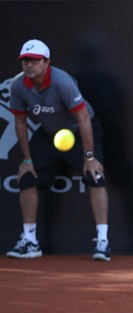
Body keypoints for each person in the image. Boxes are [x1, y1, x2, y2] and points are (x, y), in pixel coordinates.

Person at [7, 39, 111, 261]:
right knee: (27, 178)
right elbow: (19, 122)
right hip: (49, 133)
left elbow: (83, 117)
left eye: (34, 60)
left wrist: (89, 157)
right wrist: (26, 160)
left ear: (46, 62)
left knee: (95, 176)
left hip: (80, 129)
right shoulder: (18, 86)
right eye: (25, 60)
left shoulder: (62, 81)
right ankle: (30, 241)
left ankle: (103, 242)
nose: (29, 65)